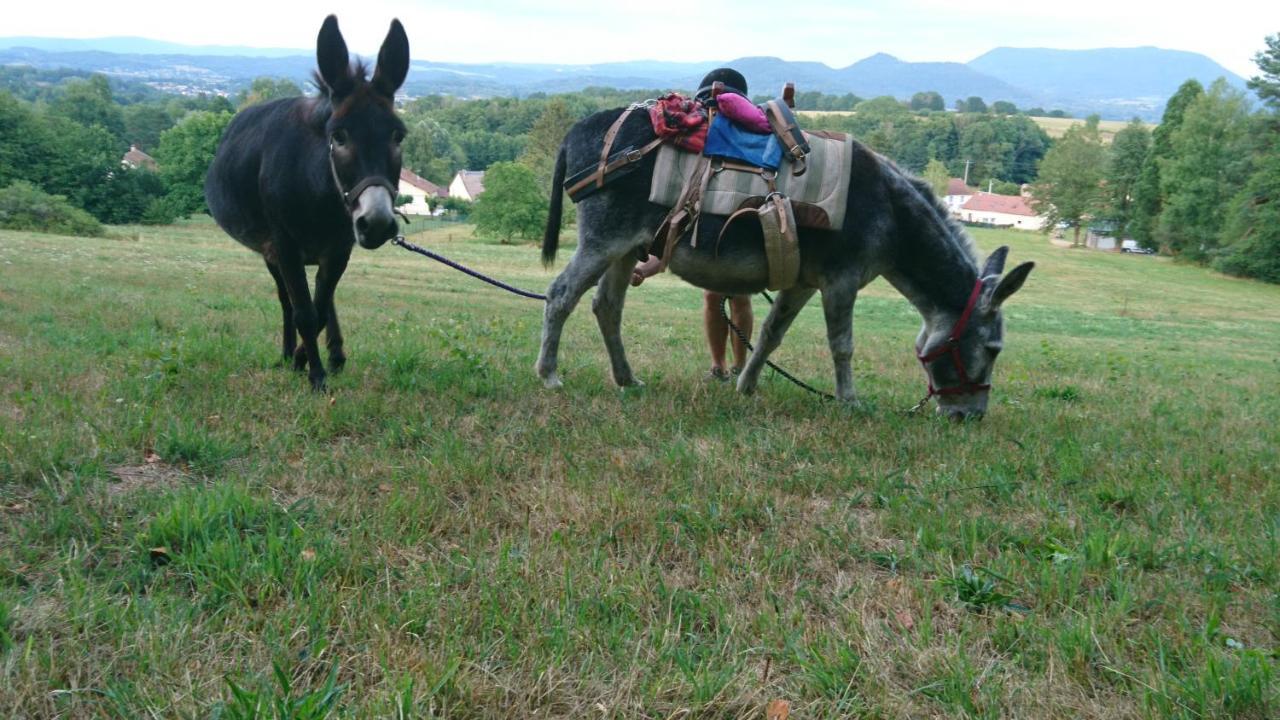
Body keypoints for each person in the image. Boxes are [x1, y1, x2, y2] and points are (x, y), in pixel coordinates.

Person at [632, 68, 755, 381]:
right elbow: (678, 226)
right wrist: (645, 268)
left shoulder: (746, 151)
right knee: (714, 296)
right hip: (711, 231)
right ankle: (719, 367)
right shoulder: (697, 160)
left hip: (739, 229)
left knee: (738, 297)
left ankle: (741, 369)